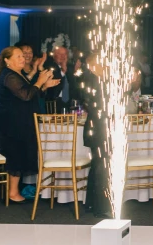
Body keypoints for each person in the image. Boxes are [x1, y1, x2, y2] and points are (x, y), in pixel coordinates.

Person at [0, 47, 58, 203]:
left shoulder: (18, 74)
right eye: (18, 56)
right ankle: (13, 192)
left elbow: (31, 93)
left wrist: (44, 86)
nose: (23, 59)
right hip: (11, 125)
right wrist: (39, 82)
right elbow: (25, 95)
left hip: (18, 123)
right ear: (7, 60)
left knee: (19, 153)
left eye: (23, 56)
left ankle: (14, 191)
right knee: (15, 155)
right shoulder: (9, 76)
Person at [81, 52, 113, 218]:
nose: (107, 65)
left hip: (99, 128)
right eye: (104, 62)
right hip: (99, 129)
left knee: (98, 167)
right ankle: (101, 207)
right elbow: (98, 107)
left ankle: (93, 203)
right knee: (102, 168)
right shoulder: (92, 80)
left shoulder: (97, 79)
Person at [44, 46, 79, 113]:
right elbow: (53, 83)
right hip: (54, 102)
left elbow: (75, 85)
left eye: (65, 54)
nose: (62, 56)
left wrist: (77, 72)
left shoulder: (71, 67)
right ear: (54, 56)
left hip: (70, 101)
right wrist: (63, 71)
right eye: (59, 54)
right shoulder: (48, 67)